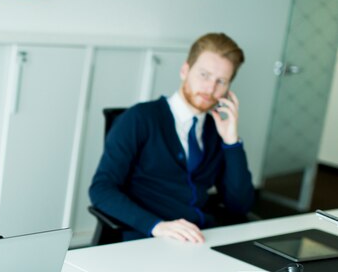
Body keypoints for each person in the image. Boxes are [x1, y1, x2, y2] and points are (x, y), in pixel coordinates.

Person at [89, 33, 254, 243]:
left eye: (221, 81)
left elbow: (240, 206)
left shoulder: (216, 130)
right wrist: (156, 225)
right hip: (148, 239)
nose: (210, 89)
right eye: (204, 75)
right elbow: (101, 190)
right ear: (185, 70)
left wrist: (232, 142)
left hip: (203, 238)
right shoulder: (139, 118)